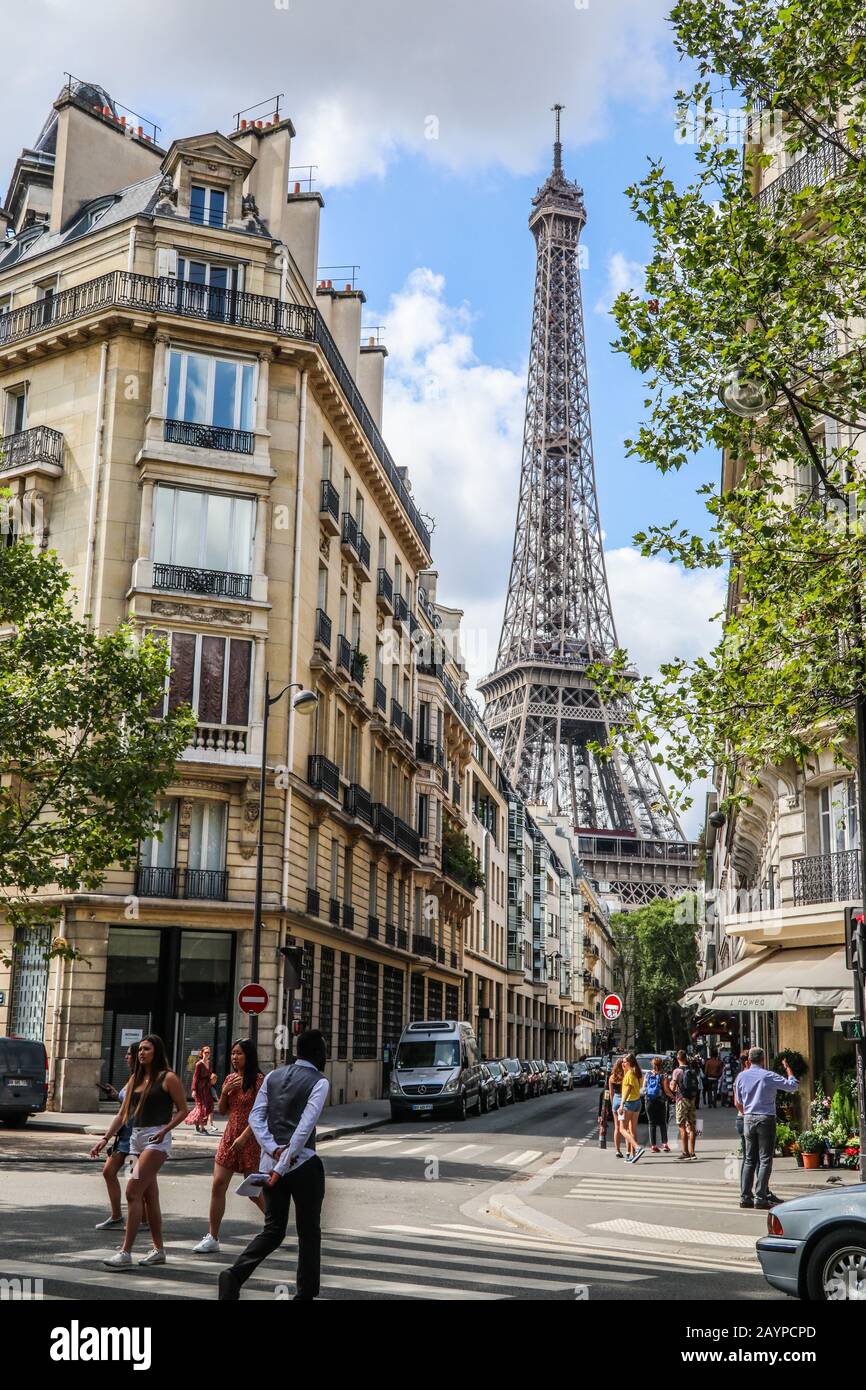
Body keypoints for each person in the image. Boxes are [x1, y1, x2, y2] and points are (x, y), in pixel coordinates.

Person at [218, 1029, 329, 1301]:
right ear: (318, 1054)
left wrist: (271, 1149)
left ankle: (234, 1275)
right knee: (308, 1232)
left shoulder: (272, 1076)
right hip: (302, 1165)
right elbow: (304, 1129)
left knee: (273, 1230)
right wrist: (283, 1162)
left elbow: (256, 1118)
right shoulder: (319, 1082)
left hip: (269, 1164)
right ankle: (304, 1294)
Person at [93, 1034, 188, 1268]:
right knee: (149, 1195)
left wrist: (165, 1130)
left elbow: (183, 1110)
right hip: (135, 1140)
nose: (141, 1053)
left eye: (146, 1049)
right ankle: (158, 1250)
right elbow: (122, 1114)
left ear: (156, 1052)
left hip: (156, 1140)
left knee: (132, 1192)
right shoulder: (135, 1078)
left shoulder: (168, 1077)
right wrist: (105, 1139)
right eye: (140, 1050)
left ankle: (125, 1252)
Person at [194, 1039, 266, 1254]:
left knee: (253, 1191)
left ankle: (276, 1225)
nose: (235, 1057)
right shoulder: (230, 1079)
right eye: (233, 1053)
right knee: (218, 1184)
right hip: (229, 1137)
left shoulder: (259, 1081)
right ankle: (212, 1236)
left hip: (250, 1139)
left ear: (249, 1056)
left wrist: (244, 1137)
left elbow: (263, 1113)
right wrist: (224, 1091)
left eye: (239, 1053)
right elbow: (223, 1111)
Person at [90, 1043, 152, 1231]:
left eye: (129, 1054)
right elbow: (127, 1105)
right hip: (124, 1136)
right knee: (109, 1172)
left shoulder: (144, 1079)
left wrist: (105, 1138)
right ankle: (117, 1216)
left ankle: (143, 1221)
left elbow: (126, 1111)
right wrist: (116, 1095)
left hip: (135, 1138)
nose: (126, 1057)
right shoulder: (133, 1077)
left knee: (136, 1179)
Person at [735, 1047, 798, 1209]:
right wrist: (788, 1069)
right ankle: (760, 1197)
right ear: (763, 1060)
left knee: (749, 1159)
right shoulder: (768, 1075)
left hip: (748, 1118)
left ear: (749, 1060)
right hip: (765, 1118)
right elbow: (792, 1086)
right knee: (764, 1160)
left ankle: (745, 1197)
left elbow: (738, 1101)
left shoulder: (741, 1076)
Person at [671, 1048, 700, 1160]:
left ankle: (685, 1152)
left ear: (678, 1058)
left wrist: (671, 1084)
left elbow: (673, 1087)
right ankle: (693, 1152)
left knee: (682, 1126)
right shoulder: (692, 1070)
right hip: (691, 1099)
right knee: (692, 1126)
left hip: (681, 1100)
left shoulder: (677, 1071)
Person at [643, 1056, 673, 1153]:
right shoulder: (663, 1075)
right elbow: (666, 1090)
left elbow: (644, 1088)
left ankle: (653, 1146)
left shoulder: (647, 1074)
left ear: (652, 1064)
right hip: (660, 1101)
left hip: (649, 1101)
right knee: (662, 1122)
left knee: (651, 1123)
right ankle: (665, 1144)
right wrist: (673, 1096)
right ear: (661, 1064)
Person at [185, 1045, 218, 1134]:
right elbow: (195, 1077)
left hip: (207, 1087)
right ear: (202, 1053)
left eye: (209, 1053)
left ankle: (197, 1121)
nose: (207, 1054)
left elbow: (210, 1074)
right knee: (202, 1107)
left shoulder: (209, 1063)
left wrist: (213, 1077)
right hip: (200, 1089)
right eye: (205, 1052)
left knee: (208, 1106)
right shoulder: (199, 1064)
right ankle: (202, 1128)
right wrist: (194, 1090)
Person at [619, 1054, 645, 1163]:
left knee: (622, 1129)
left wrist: (622, 1104)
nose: (623, 1063)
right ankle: (633, 1155)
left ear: (629, 1063)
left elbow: (628, 1089)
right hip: (637, 1102)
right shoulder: (637, 1073)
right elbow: (640, 1086)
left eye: (625, 1062)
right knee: (633, 1130)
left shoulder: (630, 1074)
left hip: (629, 1103)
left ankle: (637, 1148)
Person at [608, 1057, 626, 1159]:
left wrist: (612, 1105)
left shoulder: (612, 1077)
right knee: (626, 1128)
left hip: (615, 1100)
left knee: (617, 1128)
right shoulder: (625, 1076)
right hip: (623, 1101)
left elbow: (611, 1093)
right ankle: (629, 1150)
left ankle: (617, 1150)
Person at [734, 1050, 751, 1155]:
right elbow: (737, 1103)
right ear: (747, 1062)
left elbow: (736, 1103)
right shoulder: (743, 1077)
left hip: (742, 1116)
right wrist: (748, 1114)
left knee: (747, 1156)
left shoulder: (739, 1077)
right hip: (747, 1117)